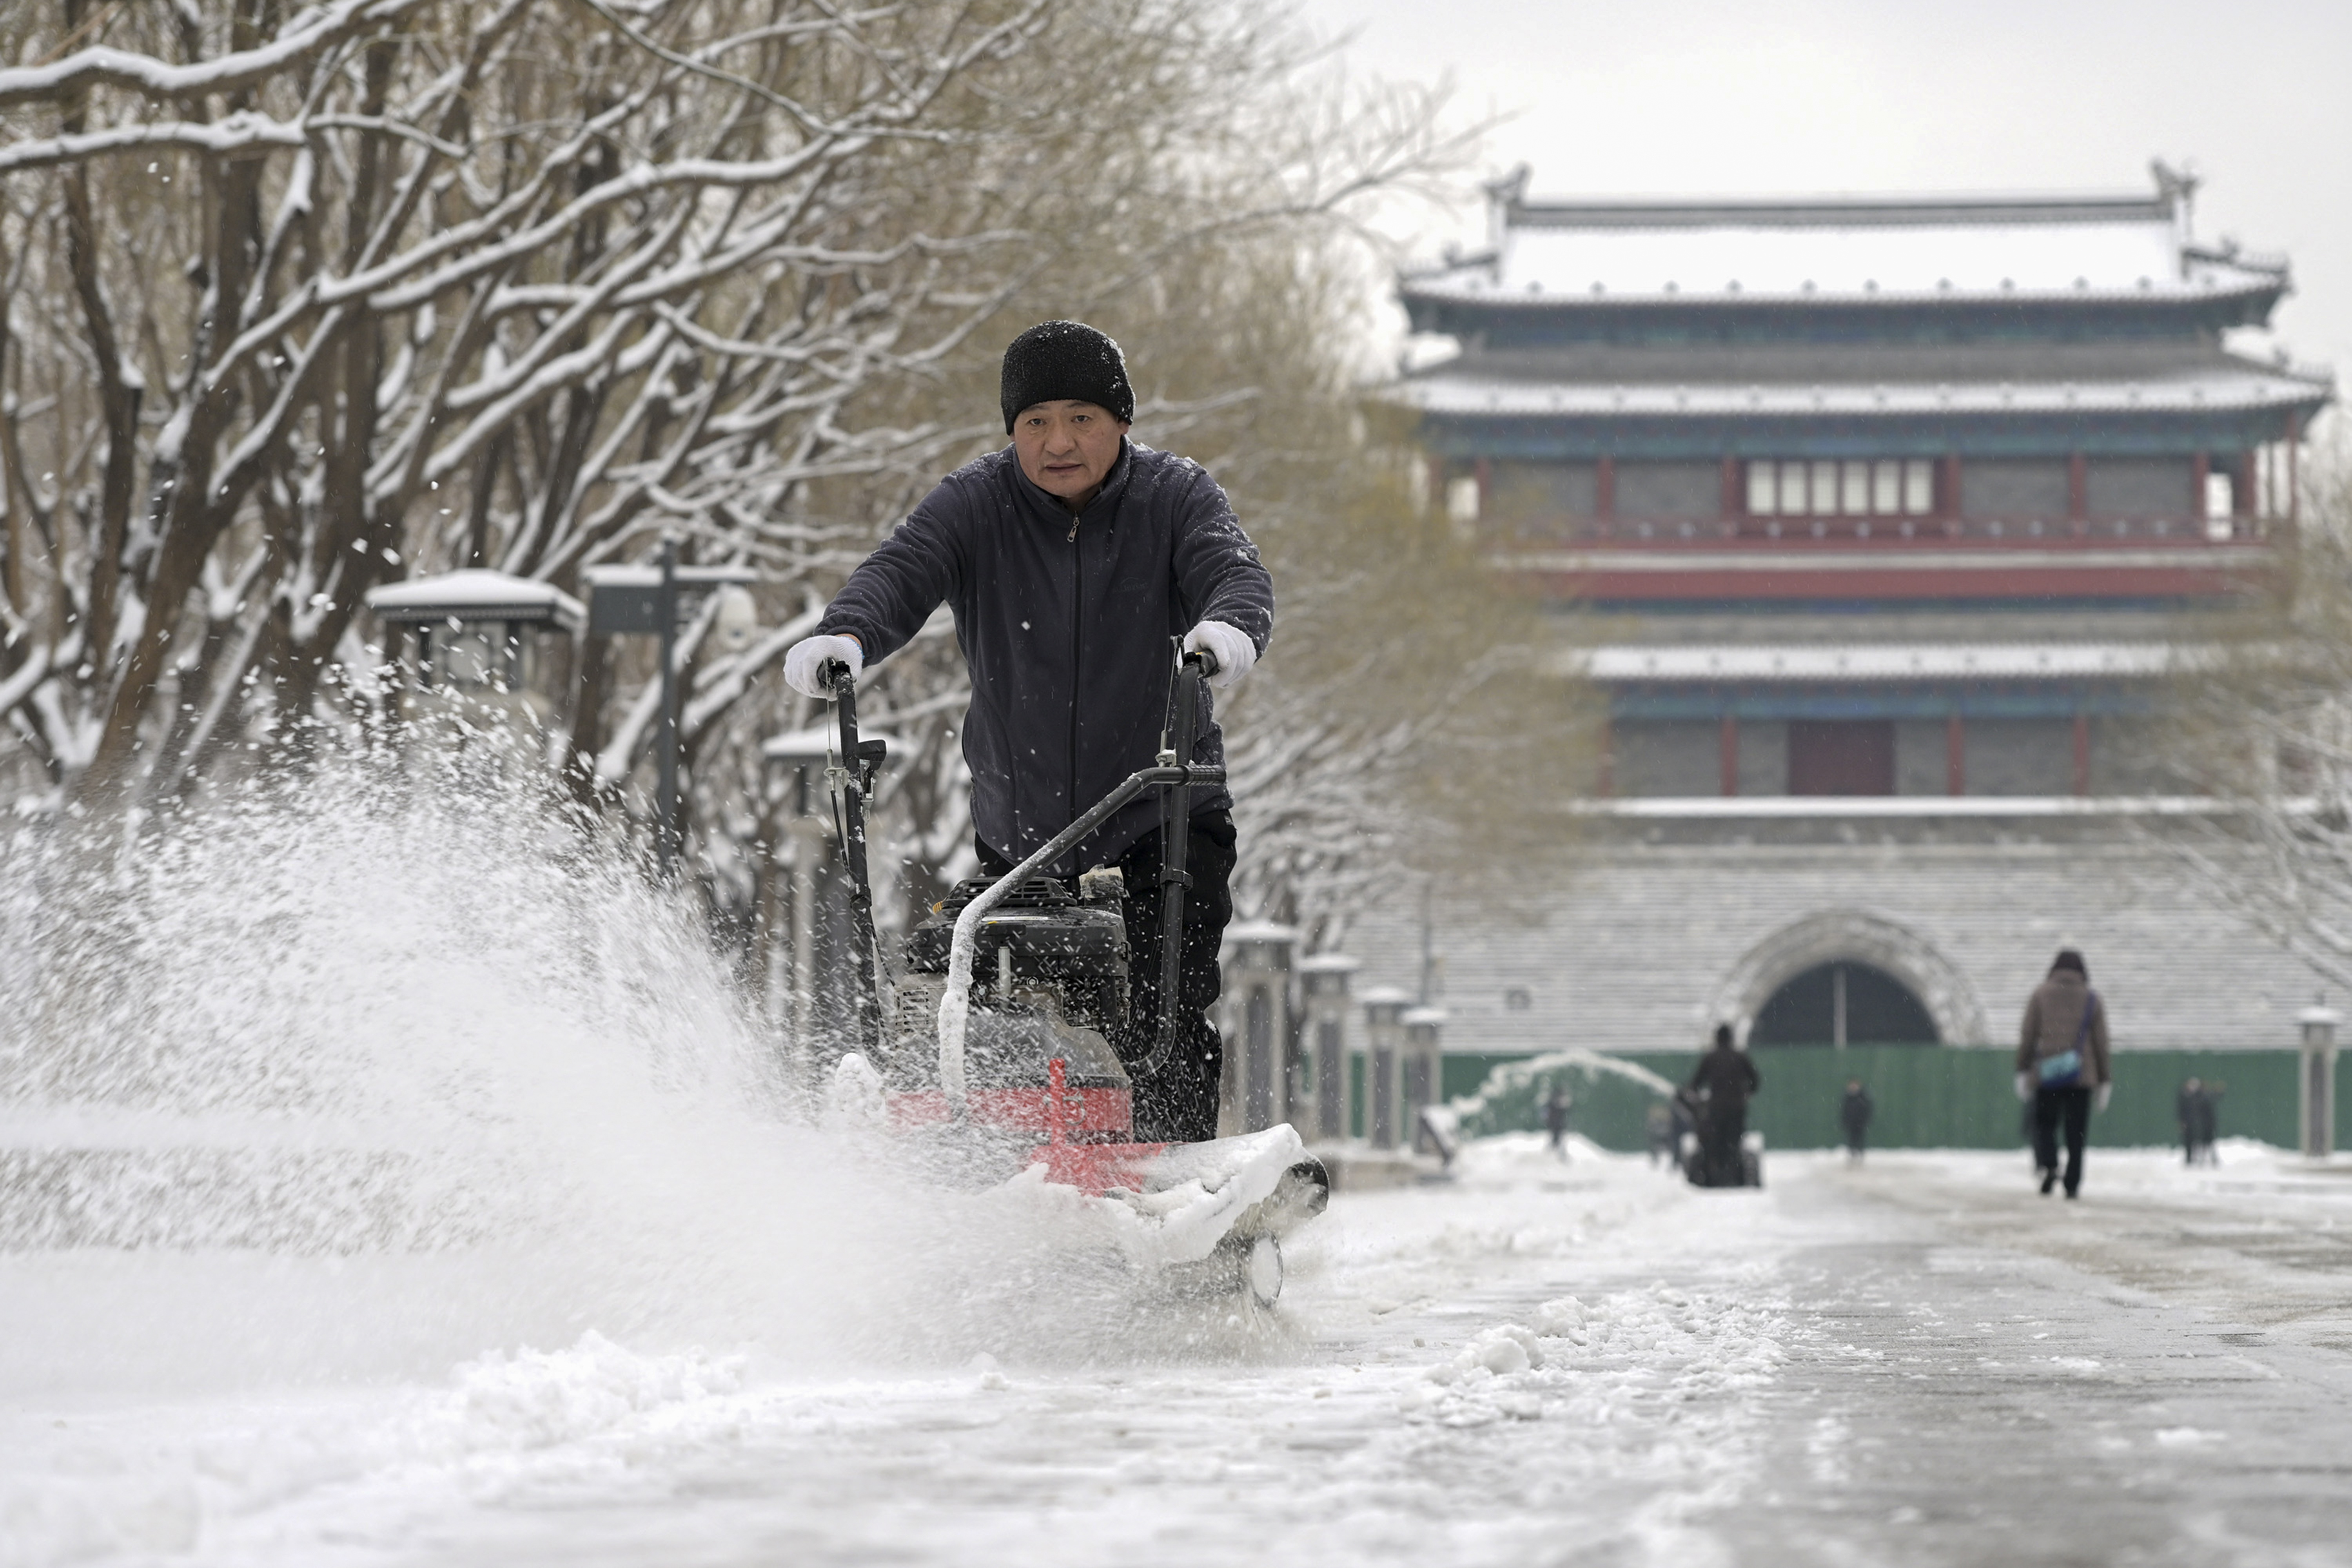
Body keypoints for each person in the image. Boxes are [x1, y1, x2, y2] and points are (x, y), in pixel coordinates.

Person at [782, 321, 1274, 1143]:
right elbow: (901, 570)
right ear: (1011, 431)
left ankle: (1170, 1180)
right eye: (1035, 422)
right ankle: (1006, 1170)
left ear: (1121, 421)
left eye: (1082, 417)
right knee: (989, 1004)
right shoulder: (976, 502)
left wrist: (1226, 631)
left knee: (1162, 1015)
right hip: (1026, 834)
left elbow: (1236, 571)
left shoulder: (1177, 496)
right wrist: (847, 635)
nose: (1058, 442)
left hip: (1163, 819)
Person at [2015, 949, 2111, 1198]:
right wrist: (2104, 1080)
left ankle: (2049, 1165)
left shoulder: (2041, 994)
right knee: (2076, 1131)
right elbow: (2101, 1043)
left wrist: (2022, 1068)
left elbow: (2028, 1034)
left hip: (2048, 1073)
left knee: (2045, 1125)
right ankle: (2073, 1182)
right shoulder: (2092, 998)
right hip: (2082, 1076)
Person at [1688, 1023, 1760, 1187]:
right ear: (1731, 1038)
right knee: (1735, 1141)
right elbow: (1755, 1081)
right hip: (1737, 1109)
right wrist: (1747, 1093)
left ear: (1717, 1039)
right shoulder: (1741, 1057)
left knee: (1715, 1141)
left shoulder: (1710, 1058)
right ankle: (1736, 1170)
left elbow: (1696, 1083)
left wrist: (1693, 1093)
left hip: (1716, 1109)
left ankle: (1711, 1171)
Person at [1839, 1079, 1874, 1163]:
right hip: (1851, 1123)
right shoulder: (1848, 1098)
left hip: (1860, 1123)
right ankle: (1852, 1155)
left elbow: (1868, 1110)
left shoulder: (1863, 1097)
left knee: (1860, 1139)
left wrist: (1865, 1120)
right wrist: (1845, 1121)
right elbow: (1844, 1111)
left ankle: (1861, 1154)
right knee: (1851, 1139)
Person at [2176, 1076, 2205, 1166]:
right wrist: (2182, 1122)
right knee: (2188, 1141)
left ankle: (2197, 1158)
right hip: (2188, 1123)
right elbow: (2181, 1111)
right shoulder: (2184, 1097)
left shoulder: (2199, 1097)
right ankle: (2189, 1158)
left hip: (2197, 1124)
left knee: (2198, 1141)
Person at [1543, 1083, 1571, 1158]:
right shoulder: (1555, 1104)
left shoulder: (1556, 1104)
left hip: (1557, 1125)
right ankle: (1554, 1154)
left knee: (1558, 1140)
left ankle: (1556, 1154)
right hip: (1556, 1125)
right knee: (1556, 1140)